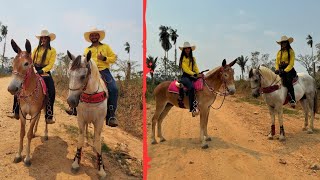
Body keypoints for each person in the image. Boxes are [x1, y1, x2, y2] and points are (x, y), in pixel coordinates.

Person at [66, 27, 119, 127]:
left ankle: (111, 115)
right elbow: (84, 62)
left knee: (114, 89)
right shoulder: (87, 49)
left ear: (99, 36)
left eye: (95, 35)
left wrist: (104, 58)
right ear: (90, 38)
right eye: (92, 35)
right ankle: (73, 107)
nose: (94, 37)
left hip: (104, 71)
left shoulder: (106, 47)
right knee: (78, 83)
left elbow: (114, 58)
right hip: (91, 72)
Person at [8, 29, 56, 124]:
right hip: (34, 70)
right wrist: (33, 69)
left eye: (45, 38)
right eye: (42, 38)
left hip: (45, 72)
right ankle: (16, 111)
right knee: (20, 87)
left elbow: (51, 64)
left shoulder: (52, 51)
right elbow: (31, 60)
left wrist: (42, 70)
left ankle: (49, 115)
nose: (43, 39)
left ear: (48, 39)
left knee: (51, 90)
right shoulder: (36, 50)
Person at [178, 41, 200, 117]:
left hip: (193, 76)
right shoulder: (182, 59)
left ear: (190, 49)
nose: (187, 50)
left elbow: (195, 68)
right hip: (185, 76)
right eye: (186, 49)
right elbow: (186, 69)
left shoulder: (193, 59)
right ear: (184, 50)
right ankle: (192, 108)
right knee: (191, 87)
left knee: (200, 85)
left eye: (188, 48)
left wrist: (198, 73)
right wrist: (193, 74)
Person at [274, 35, 297, 107]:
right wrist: (277, 69)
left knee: (288, 82)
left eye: (285, 42)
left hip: (289, 69)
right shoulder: (279, 52)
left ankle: (293, 99)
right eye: (282, 43)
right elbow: (277, 62)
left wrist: (285, 71)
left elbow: (291, 63)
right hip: (280, 69)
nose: (283, 44)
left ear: (287, 43)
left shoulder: (291, 51)